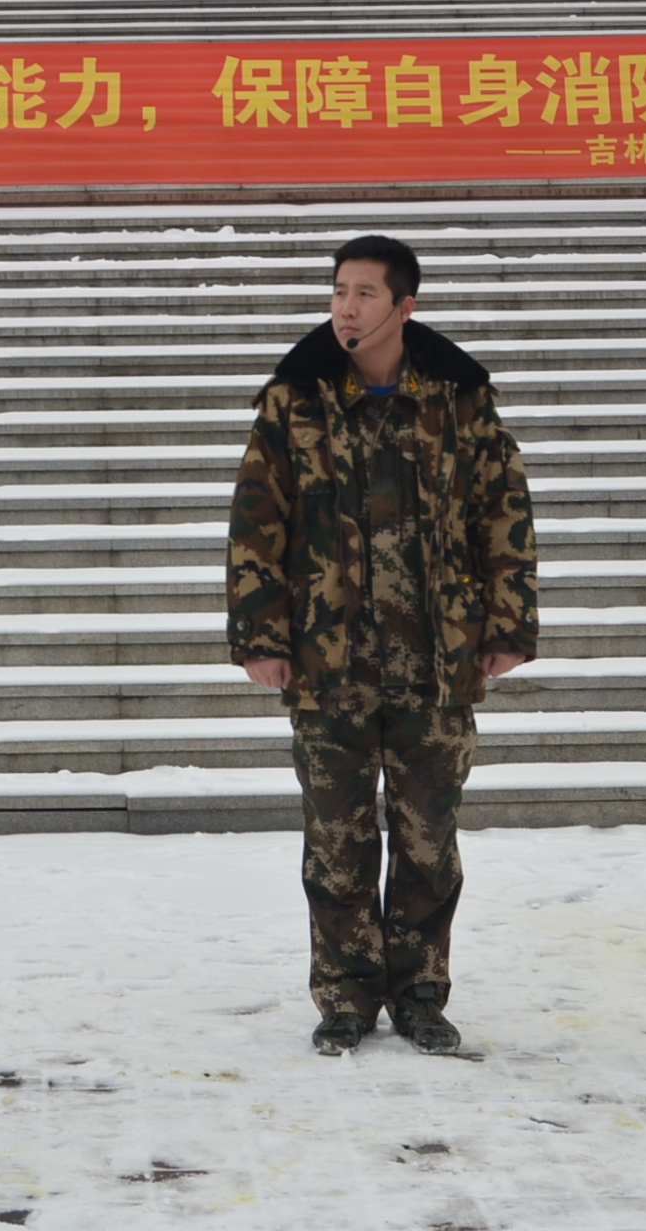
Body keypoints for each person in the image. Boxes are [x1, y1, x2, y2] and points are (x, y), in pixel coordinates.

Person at [225, 234, 538, 1057]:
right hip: (327, 661)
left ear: (405, 306)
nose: (346, 308)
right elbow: (257, 522)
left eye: (365, 293)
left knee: (429, 837)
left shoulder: (459, 399)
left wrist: (507, 626)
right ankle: (346, 995)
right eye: (338, 292)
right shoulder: (295, 400)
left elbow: (503, 511)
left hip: (437, 661)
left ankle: (421, 993)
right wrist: (260, 635)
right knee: (337, 838)